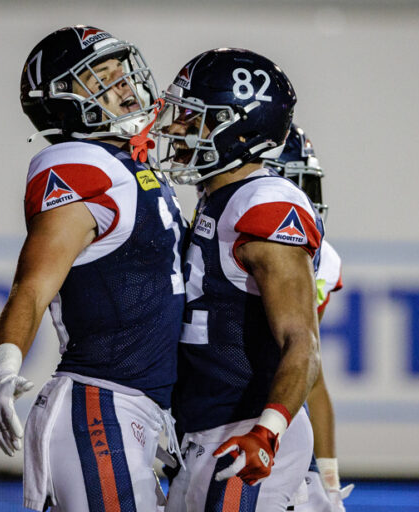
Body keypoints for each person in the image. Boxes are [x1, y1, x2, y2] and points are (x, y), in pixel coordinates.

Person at [0, 26, 185, 512]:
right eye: (100, 77)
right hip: (100, 407)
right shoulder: (78, 165)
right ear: (62, 100)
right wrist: (5, 365)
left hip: (139, 412)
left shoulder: (135, 165)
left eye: (121, 74)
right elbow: (31, 286)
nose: (123, 87)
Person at [156, 48, 323, 511]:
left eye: (193, 118)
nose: (173, 128)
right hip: (203, 435)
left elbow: (302, 342)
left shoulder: (265, 204)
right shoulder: (216, 197)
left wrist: (267, 431)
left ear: (238, 127)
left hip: (246, 433)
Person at [264, 124, 354, 512]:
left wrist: (329, 479)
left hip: (274, 424)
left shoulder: (323, 261)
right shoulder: (211, 245)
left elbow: (311, 378)